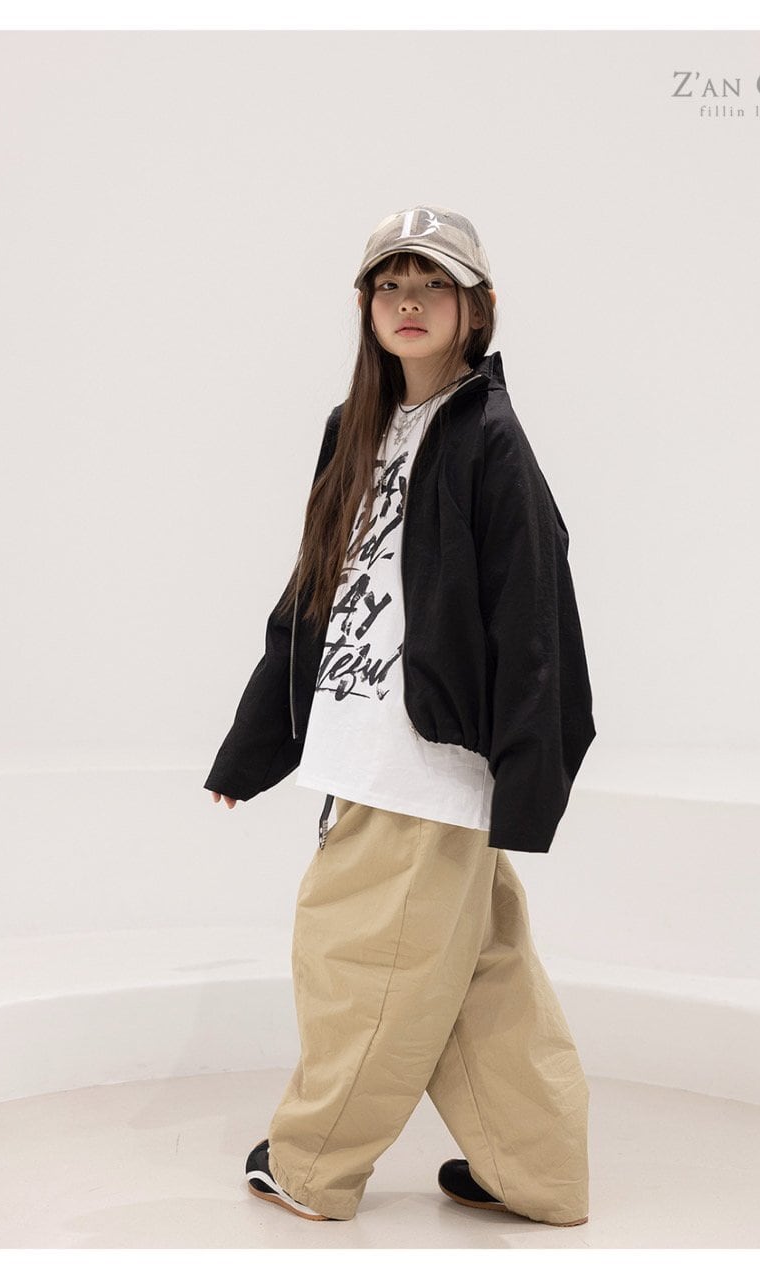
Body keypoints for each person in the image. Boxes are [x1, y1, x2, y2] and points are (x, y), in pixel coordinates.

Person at [204, 205, 597, 1227]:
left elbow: (534, 613)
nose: (409, 302)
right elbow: (313, 592)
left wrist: (530, 776)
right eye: (390, 284)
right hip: (362, 744)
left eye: (433, 285)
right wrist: (255, 745)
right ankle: (538, 1172)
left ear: (478, 308)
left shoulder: (488, 438)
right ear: (366, 305)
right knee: (479, 983)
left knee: (358, 965)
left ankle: (312, 1166)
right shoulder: (356, 429)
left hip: (423, 764)